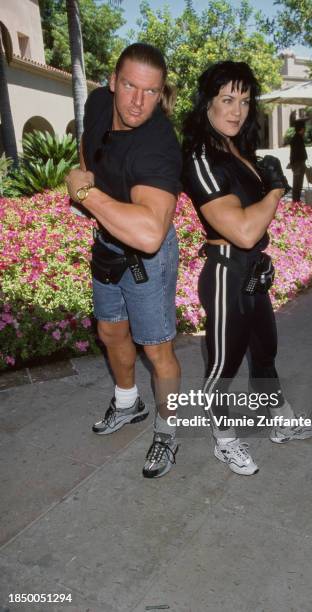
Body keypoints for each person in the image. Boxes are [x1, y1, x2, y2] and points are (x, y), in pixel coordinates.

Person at [182, 61, 312, 476]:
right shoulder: (201, 157)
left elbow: (254, 229)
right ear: (207, 103)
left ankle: (277, 418)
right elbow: (242, 230)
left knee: (265, 350)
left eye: (244, 101)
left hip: (254, 269)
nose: (236, 110)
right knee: (224, 364)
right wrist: (275, 189)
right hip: (226, 271)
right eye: (226, 99)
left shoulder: (239, 151)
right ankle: (224, 439)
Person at [66, 43, 182, 478]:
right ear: (113, 82)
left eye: (151, 92)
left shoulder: (159, 145)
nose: (138, 101)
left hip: (144, 259)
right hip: (106, 246)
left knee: (157, 348)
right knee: (110, 330)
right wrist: (88, 172)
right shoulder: (98, 103)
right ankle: (128, 402)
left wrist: (84, 192)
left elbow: (150, 235)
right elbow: (88, 144)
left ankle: (168, 432)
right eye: (130, 85)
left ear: (161, 94)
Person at [289, 120, 307, 202]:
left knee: (298, 184)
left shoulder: (297, 138)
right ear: (301, 129)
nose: (305, 130)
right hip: (298, 164)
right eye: (304, 128)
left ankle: (296, 200)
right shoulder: (297, 139)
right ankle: (296, 201)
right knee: (297, 185)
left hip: (298, 164)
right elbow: (298, 153)